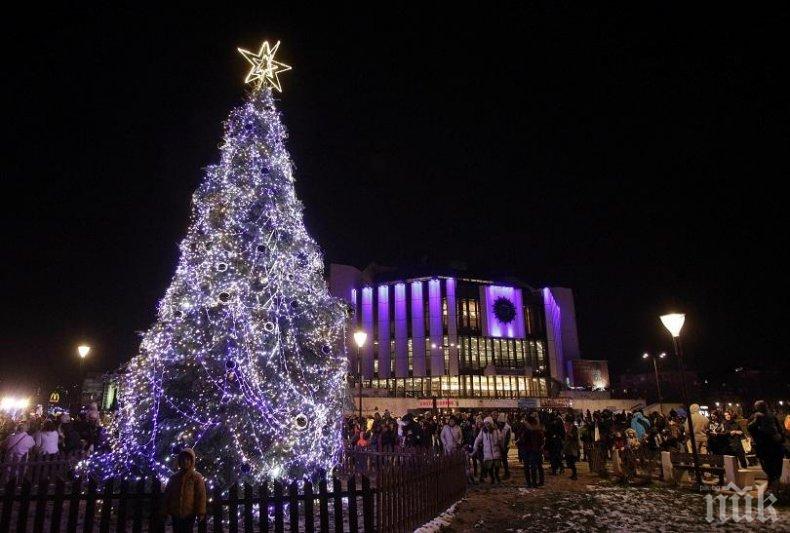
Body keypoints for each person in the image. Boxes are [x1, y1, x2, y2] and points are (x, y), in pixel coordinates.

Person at [163, 449, 207, 533]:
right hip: (175, 513)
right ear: (179, 461)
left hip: (189, 513)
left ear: (192, 461)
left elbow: (201, 495)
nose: (185, 462)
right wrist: (165, 511)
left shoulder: (196, 477)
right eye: (183, 459)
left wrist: (201, 512)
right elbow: (167, 495)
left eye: (188, 459)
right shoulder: (174, 478)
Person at [747, 400, 786, 491]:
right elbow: (750, 428)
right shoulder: (756, 418)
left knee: (774, 468)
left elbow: (779, 430)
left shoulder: (771, 417)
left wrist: (780, 438)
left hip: (773, 447)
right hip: (765, 447)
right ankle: (773, 485)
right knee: (769, 468)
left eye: (762, 406)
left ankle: (774, 487)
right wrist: (756, 421)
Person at [515, 414, 544, 487]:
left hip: (527, 449)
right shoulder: (537, 428)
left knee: (527, 467)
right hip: (534, 449)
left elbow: (520, 437)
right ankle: (534, 482)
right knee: (534, 466)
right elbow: (541, 439)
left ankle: (529, 483)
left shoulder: (525, 428)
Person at [473, 417, 502, 484]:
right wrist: (475, 446)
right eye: (485, 423)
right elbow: (478, 439)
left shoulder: (496, 430)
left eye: (488, 423)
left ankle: (497, 475)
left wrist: (499, 439)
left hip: (496, 451)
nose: (486, 424)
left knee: (497, 466)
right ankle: (492, 478)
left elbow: (500, 437)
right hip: (487, 451)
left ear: (491, 423)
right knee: (489, 467)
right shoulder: (483, 431)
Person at [562, 414, 579, 480]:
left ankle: (575, 474)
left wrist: (569, 434)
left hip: (572, 446)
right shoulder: (568, 427)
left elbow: (575, 437)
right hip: (568, 446)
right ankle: (573, 474)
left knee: (571, 461)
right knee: (569, 461)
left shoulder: (573, 427)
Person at [496, 413, 512, 479]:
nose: (500, 423)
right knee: (501, 459)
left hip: (506, 445)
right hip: (500, 444)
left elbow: (507, 439)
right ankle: (503, 472)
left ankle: (507, 473)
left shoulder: (507, 428)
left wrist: (504, 448)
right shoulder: (499, 426)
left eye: (501, 422)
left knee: (504, 459)